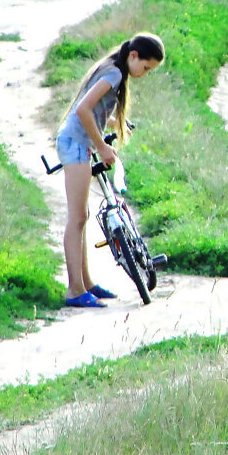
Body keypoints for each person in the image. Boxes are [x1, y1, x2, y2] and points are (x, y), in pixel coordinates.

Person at [56, 32, 165, 308]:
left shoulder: (114, 68)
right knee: (77, 218)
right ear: (134, 56)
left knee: (82, 216)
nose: (145, 73)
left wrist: (116, 122)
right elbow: (83, 110)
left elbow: (96, 110)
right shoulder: (115, 74)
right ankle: (75, 291)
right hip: (75, 145)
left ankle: (87, 284)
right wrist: (102, 148)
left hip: (77, 144)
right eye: (146, 67)